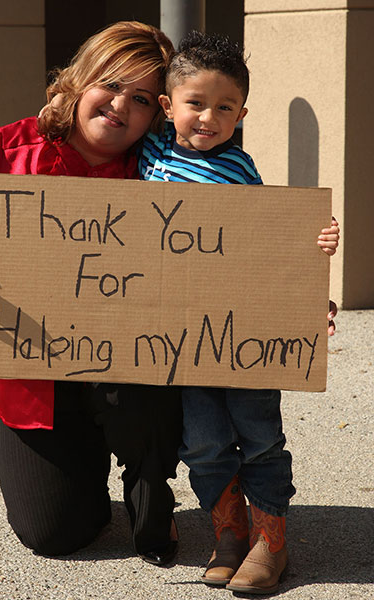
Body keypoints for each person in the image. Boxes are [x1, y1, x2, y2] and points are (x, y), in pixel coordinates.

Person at [0, 21, 182, 566]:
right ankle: (85, 474)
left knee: (144, 400)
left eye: (140, 98)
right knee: (55, 532)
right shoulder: (3, 152)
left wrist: (293, 296)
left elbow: (231, 260)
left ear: (156, 114)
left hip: (130, 365)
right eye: (109, 84)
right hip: (30, 370)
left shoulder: (170, 173)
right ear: (81, 80)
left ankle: (149, 484)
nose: (118, 105)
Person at [139, 31, 340, 594]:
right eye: (195, 103)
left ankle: (269, 541)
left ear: (242, 114)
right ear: (167, 106)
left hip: (243, 337)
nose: (209, 117)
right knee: (200, 440)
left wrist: (313, 249)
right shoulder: (148, 157)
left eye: (225, 107)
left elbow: (269, 245)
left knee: (259, 434)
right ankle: (228, 531)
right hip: (179, 338)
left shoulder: (242, 169)